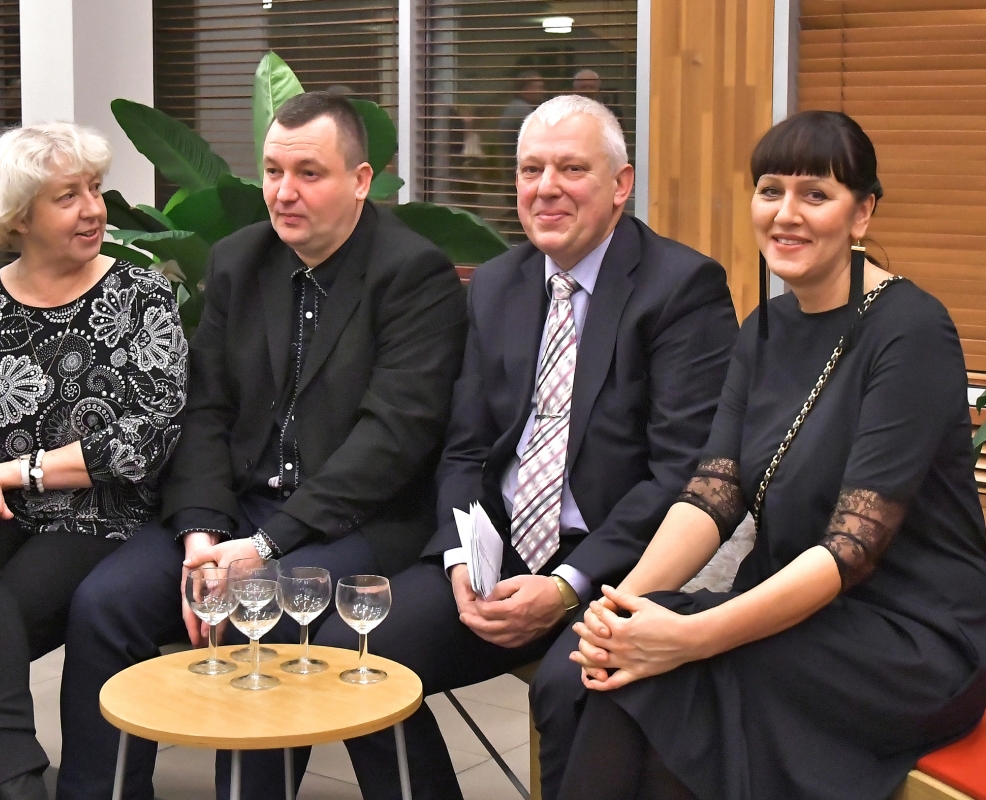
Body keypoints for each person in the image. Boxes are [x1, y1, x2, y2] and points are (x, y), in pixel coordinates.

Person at [558, 110, 986, 800]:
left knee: (669, 686)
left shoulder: (910, 329)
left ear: (862, 213)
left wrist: (692, 635)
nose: (786, 214)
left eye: (815, 194)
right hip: (794, 604)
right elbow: (713, 492)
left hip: (909, 635)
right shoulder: (762, 328)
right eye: (770, 190)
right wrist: (622, 608)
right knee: (595, 674)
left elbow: (853, 548)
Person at [315, 94, 739, 800]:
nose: (546, 188)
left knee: (568, 689)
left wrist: (567, 586)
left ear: (621, 184)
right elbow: (464, 449)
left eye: (571, 169)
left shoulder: (681, 288)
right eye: (530, 169)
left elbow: (680, 475)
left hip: (614, 565)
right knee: (350, 655)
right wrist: (458, 557)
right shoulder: (498, 284)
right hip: (497, 553)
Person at [55, 91, 468, 800]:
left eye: (309, 173)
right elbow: (204, 411)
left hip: (356, 522)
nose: (284, 192)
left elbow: (392, 441)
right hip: (239, 510)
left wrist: (263, 549)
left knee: (261, 615)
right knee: (104, 604)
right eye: (273, 171)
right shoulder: (241, 259)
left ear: (360, 181)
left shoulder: (413, 273)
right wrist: (201, 535)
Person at [0, 122, 187, 800]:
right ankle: (18, 780)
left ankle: (7, 784)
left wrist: (0, 474)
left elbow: (142, 440)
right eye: (67, 196)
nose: (93, 210)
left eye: (94, 190)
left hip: (92, 516)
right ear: (18, 217)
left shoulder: (140, 297)